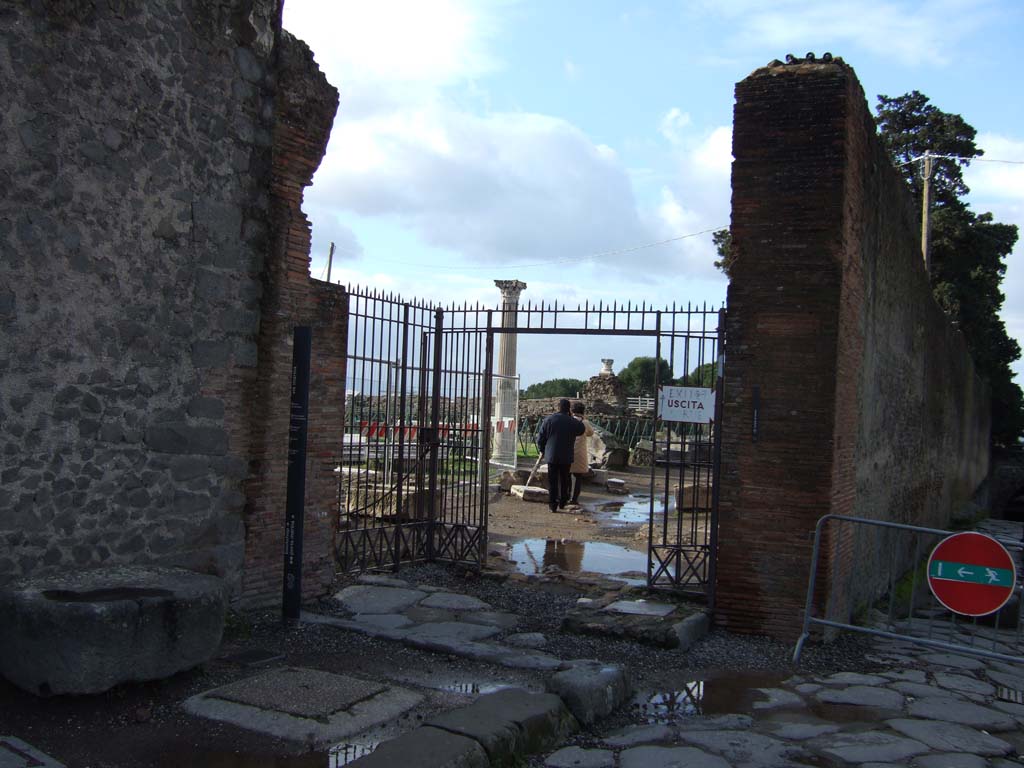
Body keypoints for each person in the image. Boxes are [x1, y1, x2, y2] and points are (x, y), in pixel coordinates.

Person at [535, 398, 585, 512]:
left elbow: (541, 437)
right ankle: (563, 501)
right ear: (569, 409)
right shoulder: (572, 421)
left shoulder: (549, 420)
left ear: (558, 407)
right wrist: (571, 417)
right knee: (564, 479)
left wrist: (542, 450)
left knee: (552, 481)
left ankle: (553, 504)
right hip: (566, 455)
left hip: (551, 455)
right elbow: (581, 429)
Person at [569, 401, 594, 507]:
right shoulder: (585, 423)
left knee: (566, 475)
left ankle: (565, 496)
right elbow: (590, 433)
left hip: (568, 451)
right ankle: (574, 499)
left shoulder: (568, 421)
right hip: (580, 452)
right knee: (578, 477)